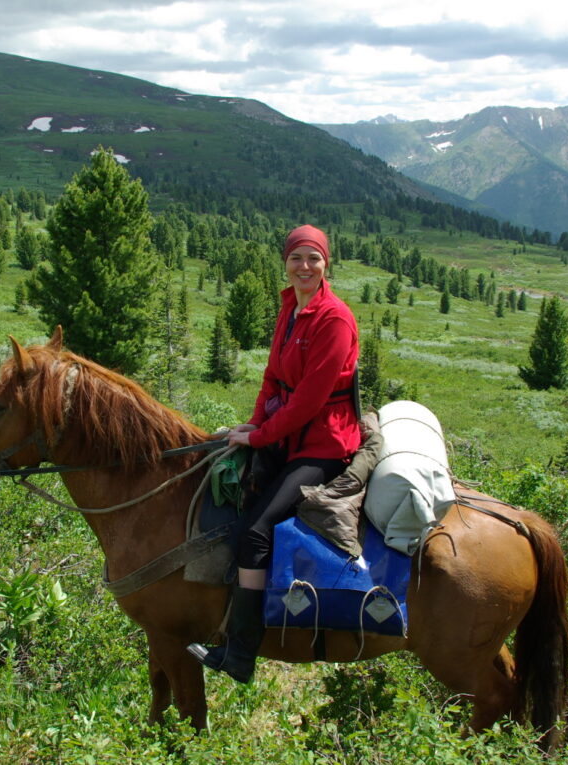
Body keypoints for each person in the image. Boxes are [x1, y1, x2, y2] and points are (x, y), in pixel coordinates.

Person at [188, 224, 361, 683]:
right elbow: (272, 377)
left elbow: (308, 400)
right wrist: (254, 421)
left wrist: (261, 438)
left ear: (326, 265)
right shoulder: (291, 305)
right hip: (287, 434)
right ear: (285, 262)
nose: (304, 267)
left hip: (322, 444)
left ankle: (241, 652)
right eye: (296, 258)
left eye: (314, 259)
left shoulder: (334, 319)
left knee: (255, 531)